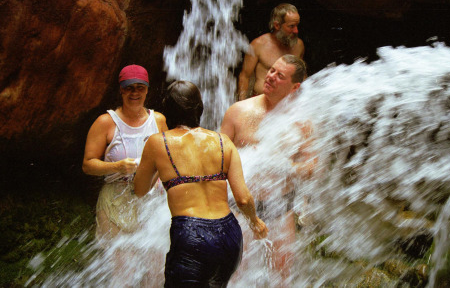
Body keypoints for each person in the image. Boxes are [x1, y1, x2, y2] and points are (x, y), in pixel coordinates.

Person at [134, 81, 268, 287]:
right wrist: (255, 222)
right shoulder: (223, 142)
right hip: (229, 233)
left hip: (191, 234)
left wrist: (154, 165)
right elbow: (243, 198)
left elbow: (140, 190)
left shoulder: (157, 143)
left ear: (167, 109)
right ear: (200, 108)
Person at [221, 54, 310, 286]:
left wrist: (286, 165)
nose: (270, 77)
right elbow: (216, 158)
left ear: (294, 87)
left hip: (280, 207)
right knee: (234, 276)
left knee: (282, 277)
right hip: (239, 208)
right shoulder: (238, 111)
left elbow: (313, 168)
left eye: (280, 76)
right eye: (271, 70)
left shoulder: (302, 121)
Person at [82, 64, 168, 285]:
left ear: (148, 90)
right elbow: (88, 164)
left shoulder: (158, 120)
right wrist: (117, 166)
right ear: (121, 90)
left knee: (156, 273)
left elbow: (169, 157)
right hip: (115, 201)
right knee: (123, 276)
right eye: (129, 88)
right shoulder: (105, 122)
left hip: (151, 201)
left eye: (140, 87)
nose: (135, 93)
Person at [237, 3, 305, 100]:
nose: (296, 31)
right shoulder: (258, 45)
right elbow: (244, 76)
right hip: (261, 101)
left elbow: (301, 75)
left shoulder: (299, 45)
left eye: (297, 25)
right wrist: (242, 104)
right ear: (277, 25)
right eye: (291, 26)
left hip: (287, 104)